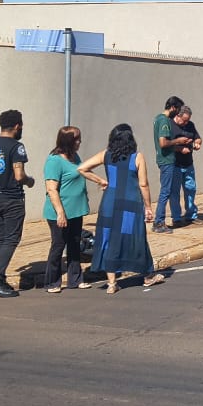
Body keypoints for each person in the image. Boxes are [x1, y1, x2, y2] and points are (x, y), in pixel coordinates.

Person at [77, 124, 167, 294]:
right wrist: (148, 206)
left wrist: (101, 181)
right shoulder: (137, 157)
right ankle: (147, 275)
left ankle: (112, 283)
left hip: (110, 202)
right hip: (131, 203)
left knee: (109, 238)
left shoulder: (106, 154)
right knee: (136, 237)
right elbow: (143, 184)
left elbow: (82, 168)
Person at [0, 109, 35, 298]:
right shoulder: (17, 147)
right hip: (12, 199)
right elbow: (19, 175)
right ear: (17, 126)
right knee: (11, 238)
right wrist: (29, 181)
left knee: (0, 238)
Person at [42, 126, 101, 293]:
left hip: (76, 211)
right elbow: (52, 189)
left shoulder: (74, 157)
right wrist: (60, 212)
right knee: (58, 245)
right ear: (68, 141)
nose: (80, 142)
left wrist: (100, 181)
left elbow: (84, 172)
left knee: (74, 244)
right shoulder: (54, 161)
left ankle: (75, 279)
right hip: (60, 213)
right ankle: (52, 282)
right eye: (77, 139)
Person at [153, 96, 192, 234]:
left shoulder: (158, 118)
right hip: (167, 161)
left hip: (166, 159)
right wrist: (178, 141)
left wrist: (179, 146)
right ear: (173, 107)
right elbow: (163, 143)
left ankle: (159, 221)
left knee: (166, 191)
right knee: (166, 192)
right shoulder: (164, 121)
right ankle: (159, 222)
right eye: (178, 110)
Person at [170, 105, 203, 224]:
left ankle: (191, 214)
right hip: (175, 164)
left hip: (188, 164)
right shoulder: (169, 126)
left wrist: (197, 143)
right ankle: (176, 218)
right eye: (184, 120)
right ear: (178, 116)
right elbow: (165, 145)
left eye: (188, 120)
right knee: (174, 192)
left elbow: (198, 138)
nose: (186, 123)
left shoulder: (190, 125)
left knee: (190, 189)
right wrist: (179, 149)